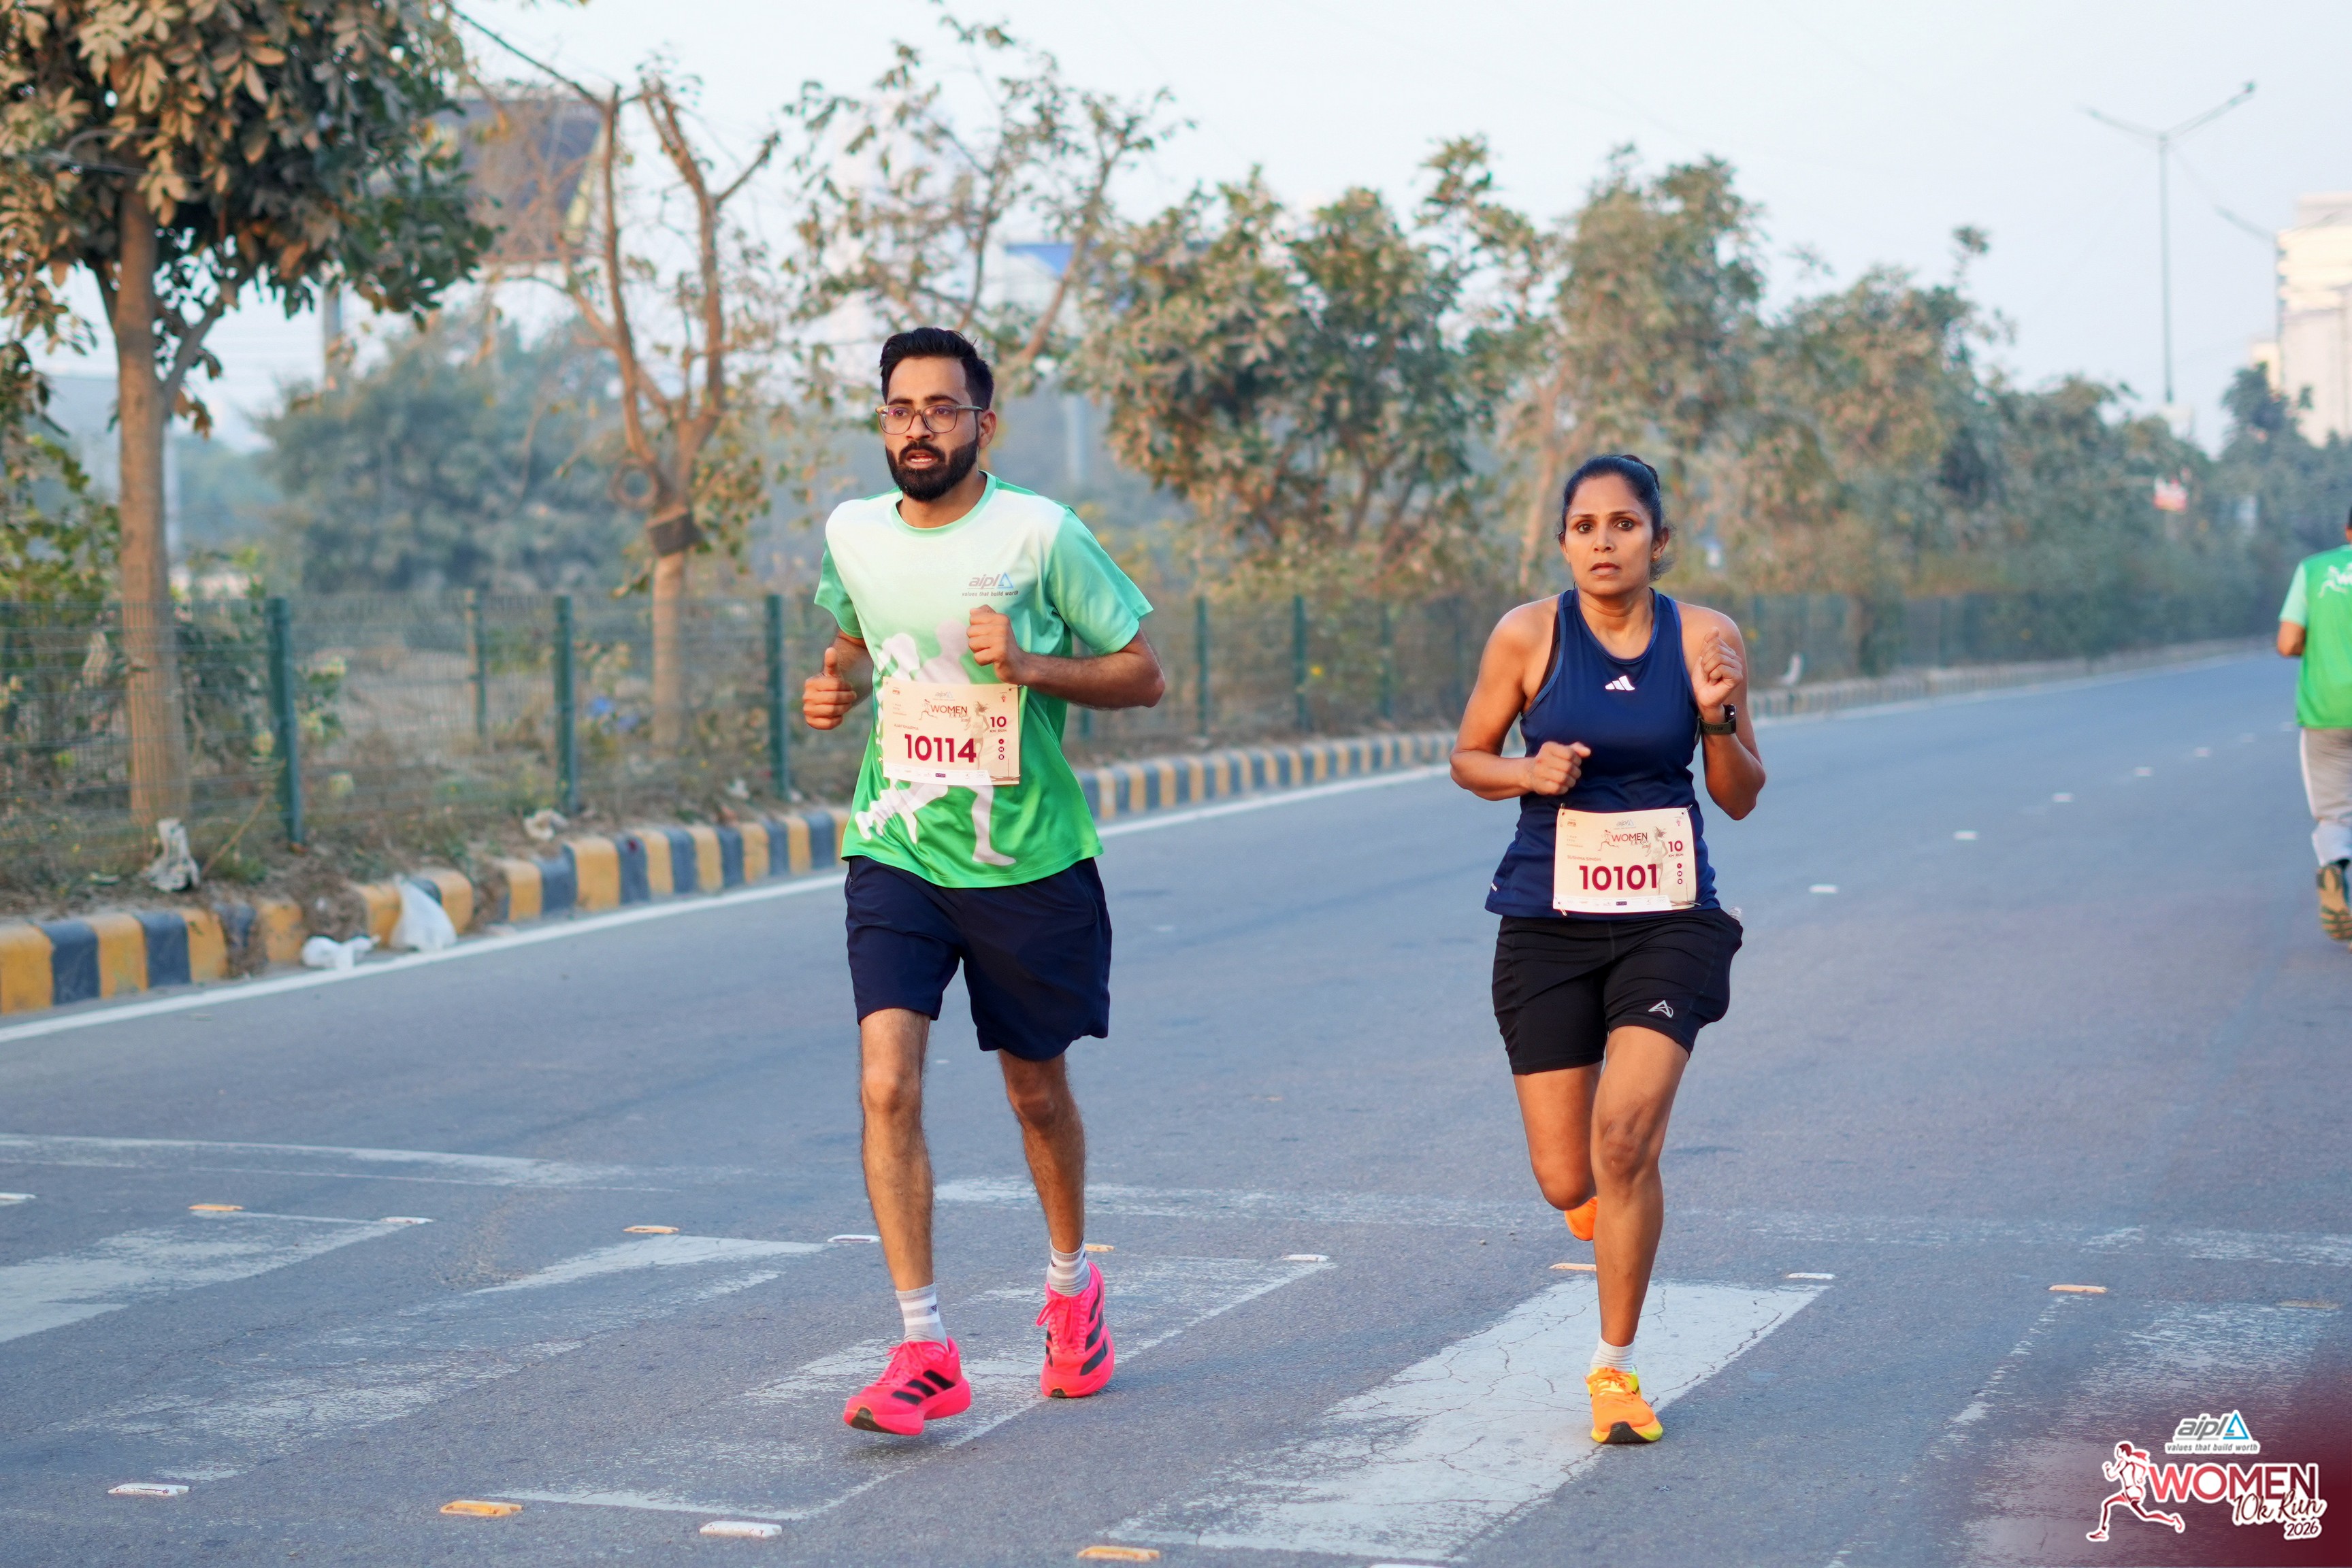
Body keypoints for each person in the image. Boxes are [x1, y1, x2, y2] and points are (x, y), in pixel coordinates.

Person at [802, 327, 1164, 1435]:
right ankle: (924, 1347)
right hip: (897, 842)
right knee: (886, 1085)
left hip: (1027, 856)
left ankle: (1070, 1287)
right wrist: (834, 684)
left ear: (983, 423)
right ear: (883, 423)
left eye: (942, 408)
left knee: (1034, 1093)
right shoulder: (853, 532)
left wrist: (1031, 665)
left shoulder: (1040, 534)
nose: (919, 428)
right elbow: (853, 638)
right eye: (901, 409)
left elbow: (1143, 673)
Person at [1450, 453, 1765, 1447]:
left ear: (1658, 541)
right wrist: (1527, 771)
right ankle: (1602, 1208)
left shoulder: (1706, 637)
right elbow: (1467, 758)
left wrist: (1717, 719)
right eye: (1584, 527)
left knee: (1625, 1139)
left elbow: (1742, 794)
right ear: (1563, 542)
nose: (1603, 543)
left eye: (1623, 525)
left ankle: (1615, 1369)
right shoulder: (1527, 635)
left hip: (1670, 917)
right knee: (1566, 1177)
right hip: (1547, 922)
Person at [2278, 506, 2352, 947]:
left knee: (2335, 811)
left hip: (2326, 711)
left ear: (2347, 530)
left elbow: (2288, 641)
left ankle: (2334, 866)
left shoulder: (2314, 570)